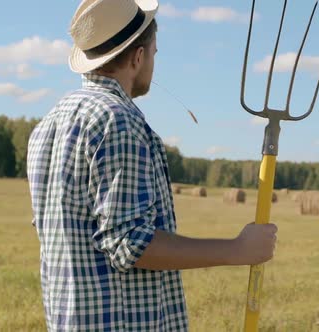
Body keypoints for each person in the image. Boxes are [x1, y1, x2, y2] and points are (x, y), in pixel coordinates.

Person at [26, 0, 277, 330]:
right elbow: (133, 245)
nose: (154, 64)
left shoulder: (47, 126)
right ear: (138, 56)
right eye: (155, 53)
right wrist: (237, 250)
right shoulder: (118, 121)